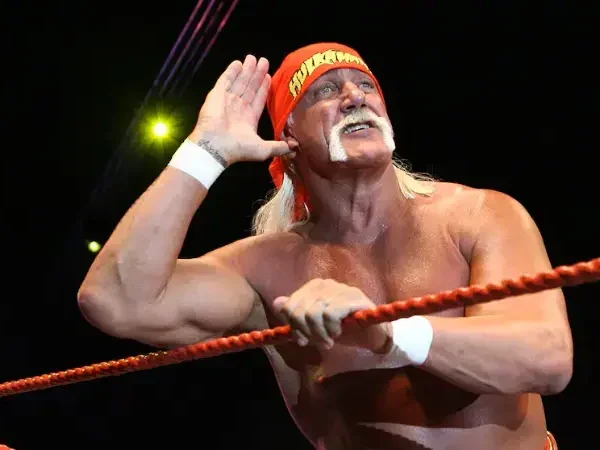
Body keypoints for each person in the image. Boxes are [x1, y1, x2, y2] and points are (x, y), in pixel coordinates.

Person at [77, 43, 572, 449]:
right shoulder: (267, 269)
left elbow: (546, 359)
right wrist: (206, 152)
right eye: (326, 90)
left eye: (366, 86)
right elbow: (116, 300)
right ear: (288, 135)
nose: (355, 97)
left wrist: (386, 333)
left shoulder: (478, 215)